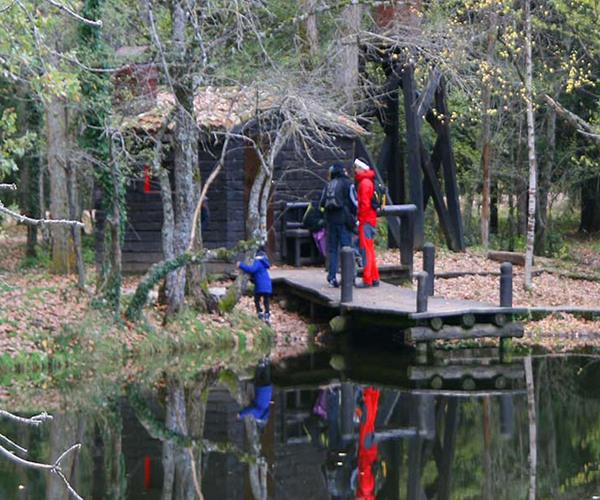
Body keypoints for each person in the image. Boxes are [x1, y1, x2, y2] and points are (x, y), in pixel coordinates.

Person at [319, 164, 357, 288]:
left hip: (331, 221)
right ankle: (349, 277)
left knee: (333, 250)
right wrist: (354, 217)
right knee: (347, 249)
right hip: (344, 220)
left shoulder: (328, 185)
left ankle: (332, 277)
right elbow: (354, 202)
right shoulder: (348, 183)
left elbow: (322, 202)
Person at [353, 158, 380, 288]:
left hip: (366, 220)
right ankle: (374, 277)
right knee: (370, 249)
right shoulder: (370, 181)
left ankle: (367, 279)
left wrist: (359, 219)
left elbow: (364, 204)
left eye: (357, 167)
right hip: (371, 219)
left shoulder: (364, 183)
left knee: (365, 250)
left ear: (362, 169)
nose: (355, 170)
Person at [238, 248, 272, 324]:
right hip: (268, 286)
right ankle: (267, 314)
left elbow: (252, 269)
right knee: (266, 300)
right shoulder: (264, 264)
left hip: (260, 286)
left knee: (257, 299)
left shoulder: (258, 262)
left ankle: (259, 312)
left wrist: (241, 265)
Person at [238, 356, 272, 426]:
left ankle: (266, 362)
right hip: (261, 390)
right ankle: (260, 363)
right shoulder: (259, 415)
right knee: (258, 377)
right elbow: (252, 409)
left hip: (269, 389)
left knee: (266, 376)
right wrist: (241, 414)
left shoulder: (266, 411)